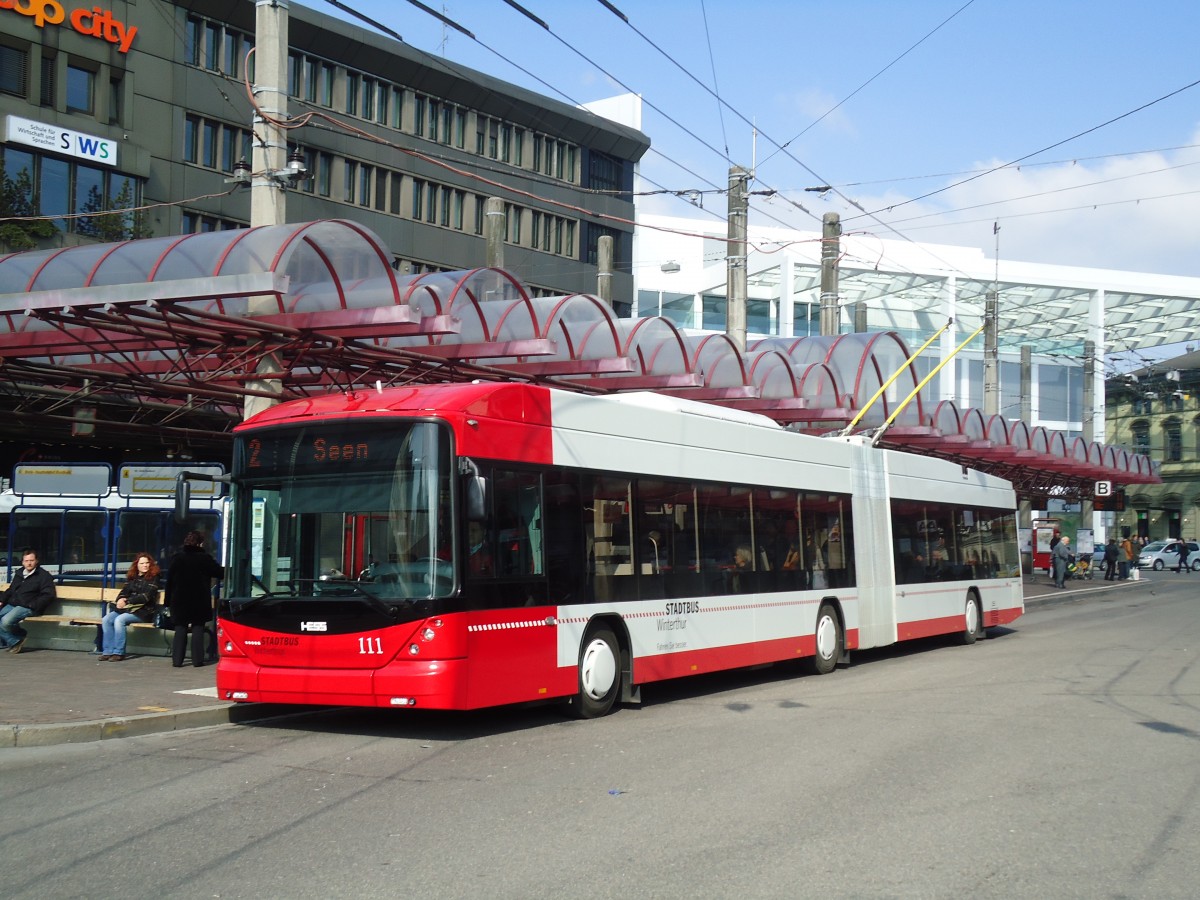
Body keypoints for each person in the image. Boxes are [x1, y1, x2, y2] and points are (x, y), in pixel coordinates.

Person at [165, 531, 222, 667]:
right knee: (198, 629)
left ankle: (177, 660)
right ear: (200, 543)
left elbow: (169, 581)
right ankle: (197, 660)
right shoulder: (204, 558)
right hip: (199, 600)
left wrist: (167, 601)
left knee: (180, 629)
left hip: (179, 600)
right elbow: (219, 572)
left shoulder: (177, 557)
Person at [100, 552, 161, 661]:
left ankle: (119, 652)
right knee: (106, 619)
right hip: (128, 609)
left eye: (147, 563)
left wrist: (127, 600)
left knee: (119, 620)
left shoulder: (154, 577)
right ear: (137, 565)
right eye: (142, 563)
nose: (145, 565)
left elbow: (146, 596)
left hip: (144, 612)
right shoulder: (133, 577)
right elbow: (124, 591)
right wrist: (121, 599)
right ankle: (108, 651)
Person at [0, 548, 56, 654]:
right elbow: (11, 589)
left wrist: (32, 605)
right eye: (26, 561)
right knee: (3, 620)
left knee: (5, 621)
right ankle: (17, 639)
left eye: (31, 560)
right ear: (22, 562)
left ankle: (17, 638)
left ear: (36, 561)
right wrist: (1, 600)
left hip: (29, 606)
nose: (29, 563)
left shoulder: (43, 576)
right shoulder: (19, 573)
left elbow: (48, 595)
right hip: (14, 604)